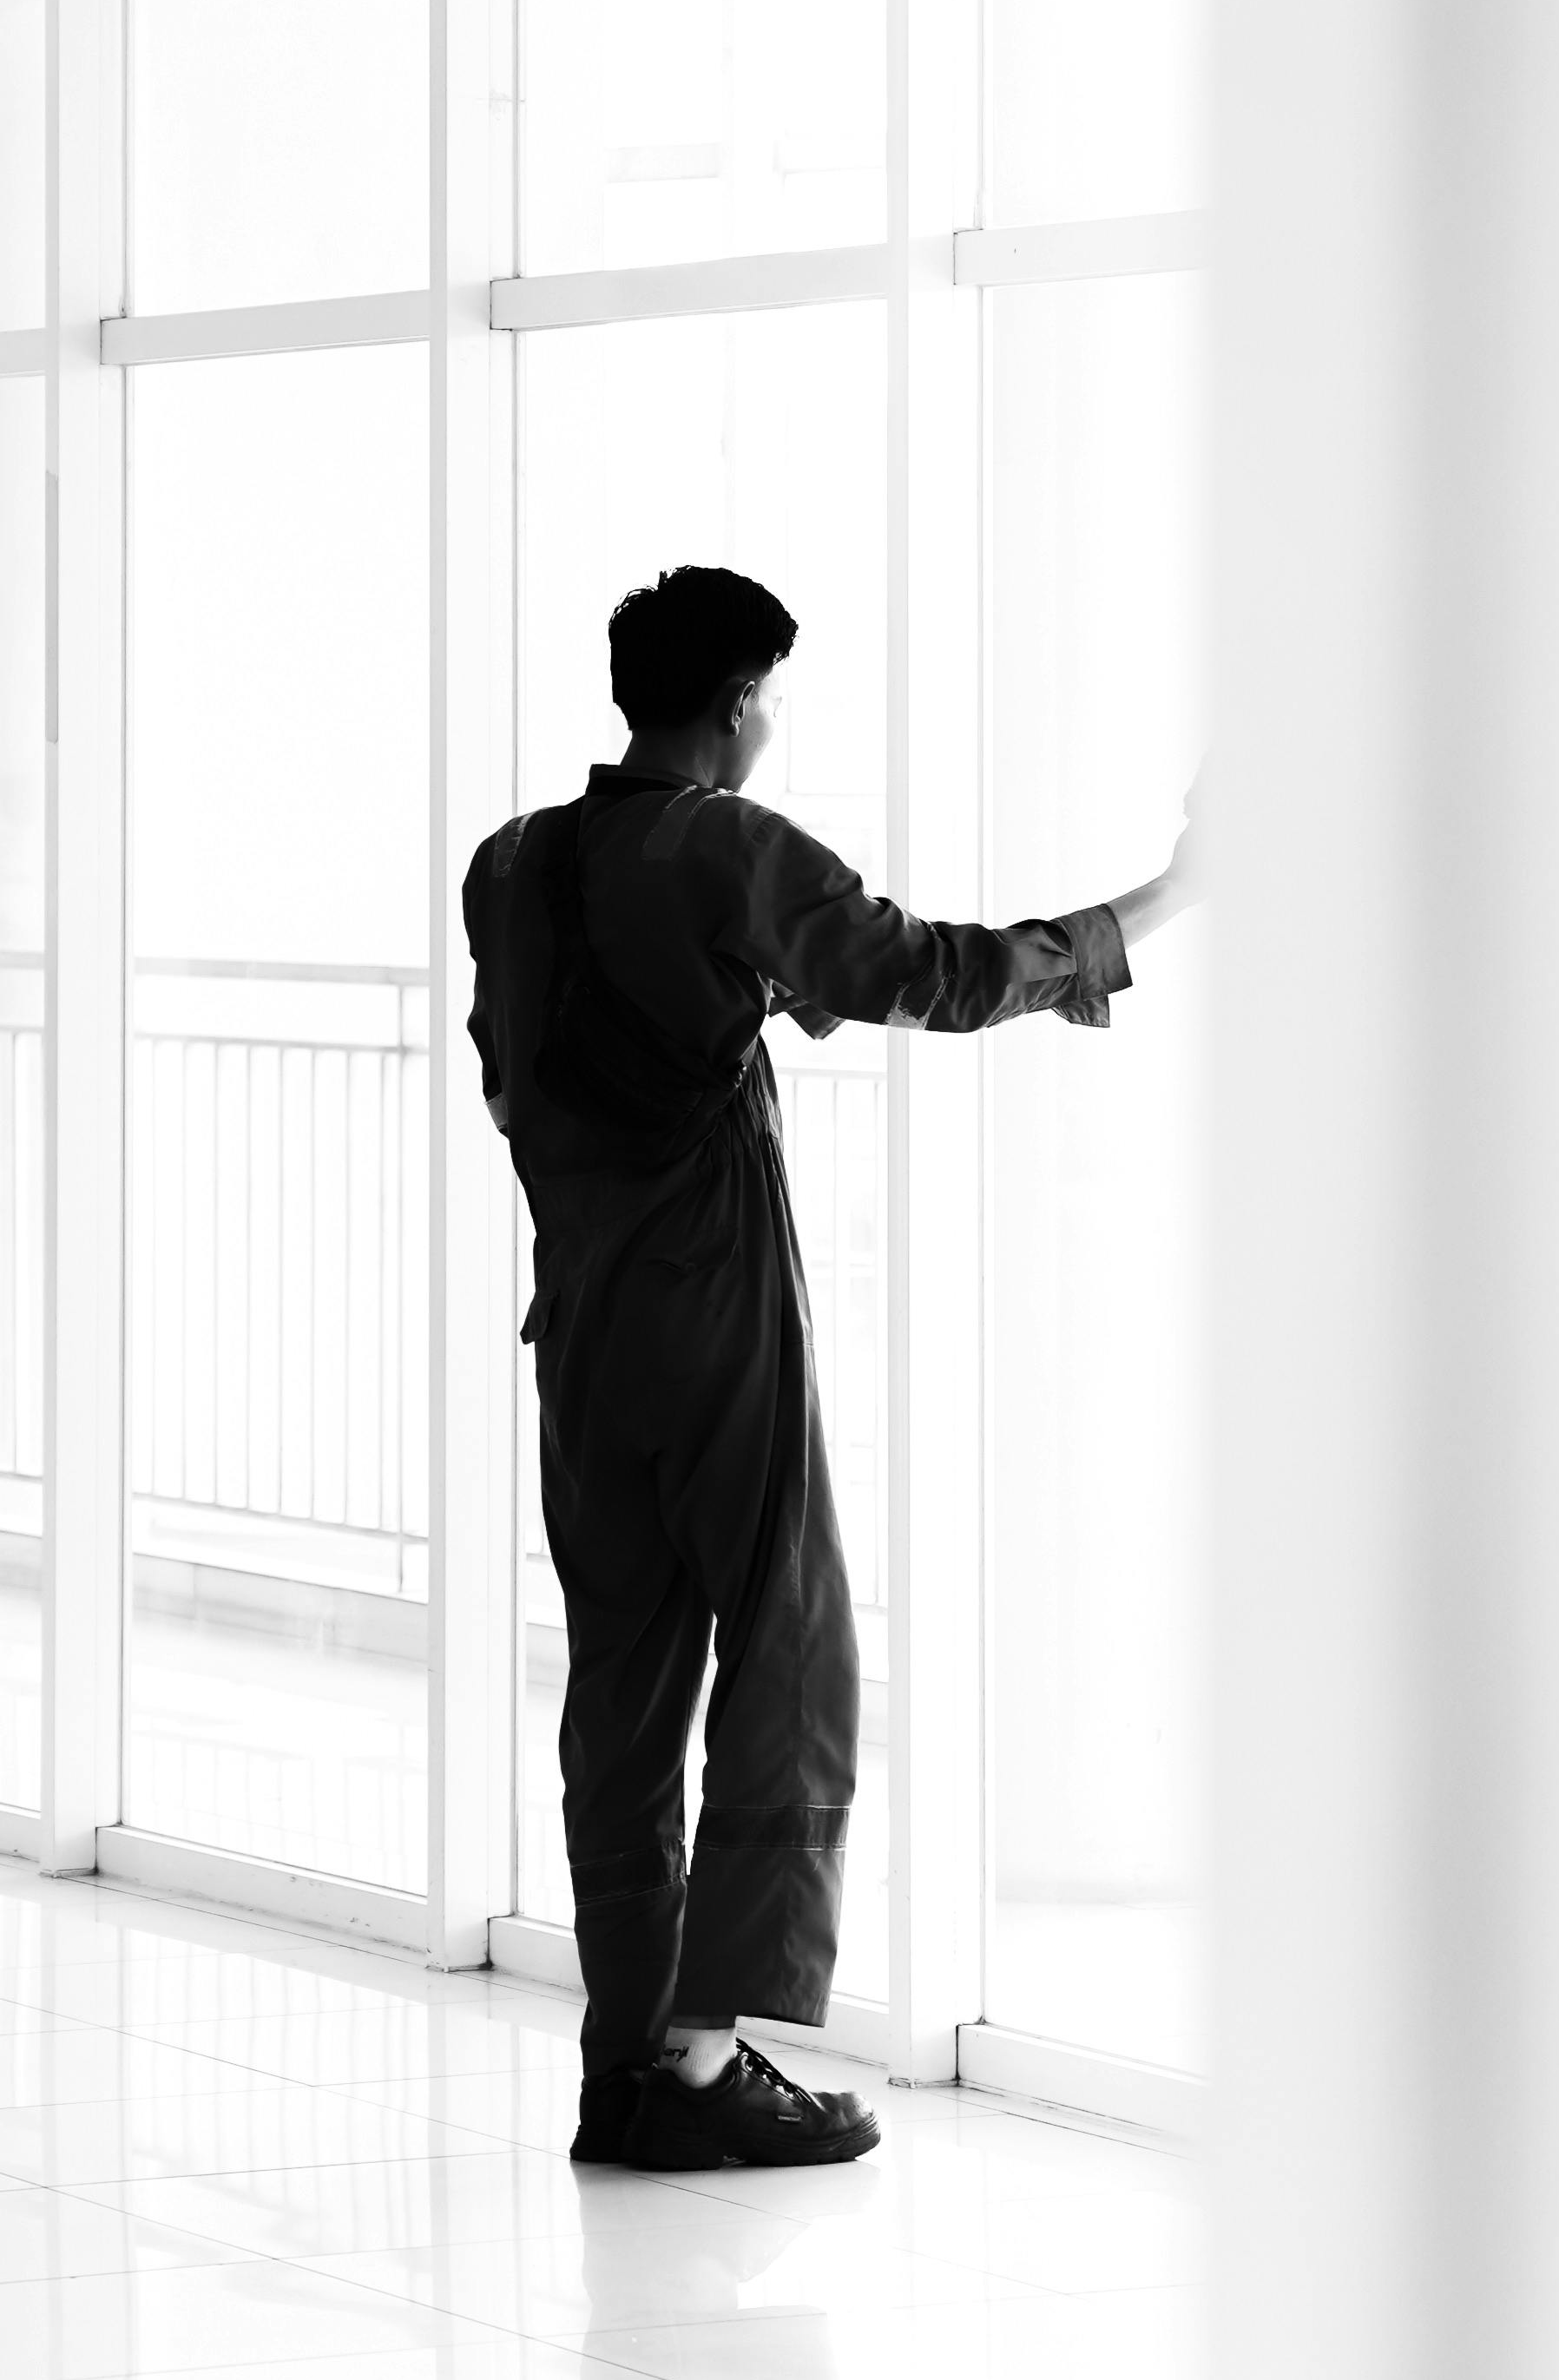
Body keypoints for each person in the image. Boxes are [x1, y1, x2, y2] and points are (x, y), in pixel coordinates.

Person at [465, 561, 1196, 2173]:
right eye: (771, 699)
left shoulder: (510, 868)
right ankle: (711, 2060)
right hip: (715, 1317)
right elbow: (926, 970)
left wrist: (759, 993)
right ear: (738, 709)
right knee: (798, 1656)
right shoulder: (727, 846)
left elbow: (536, 1068)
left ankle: (625, 2070)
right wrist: (1150, 907)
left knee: (625, 1694)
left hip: (582, 1326)